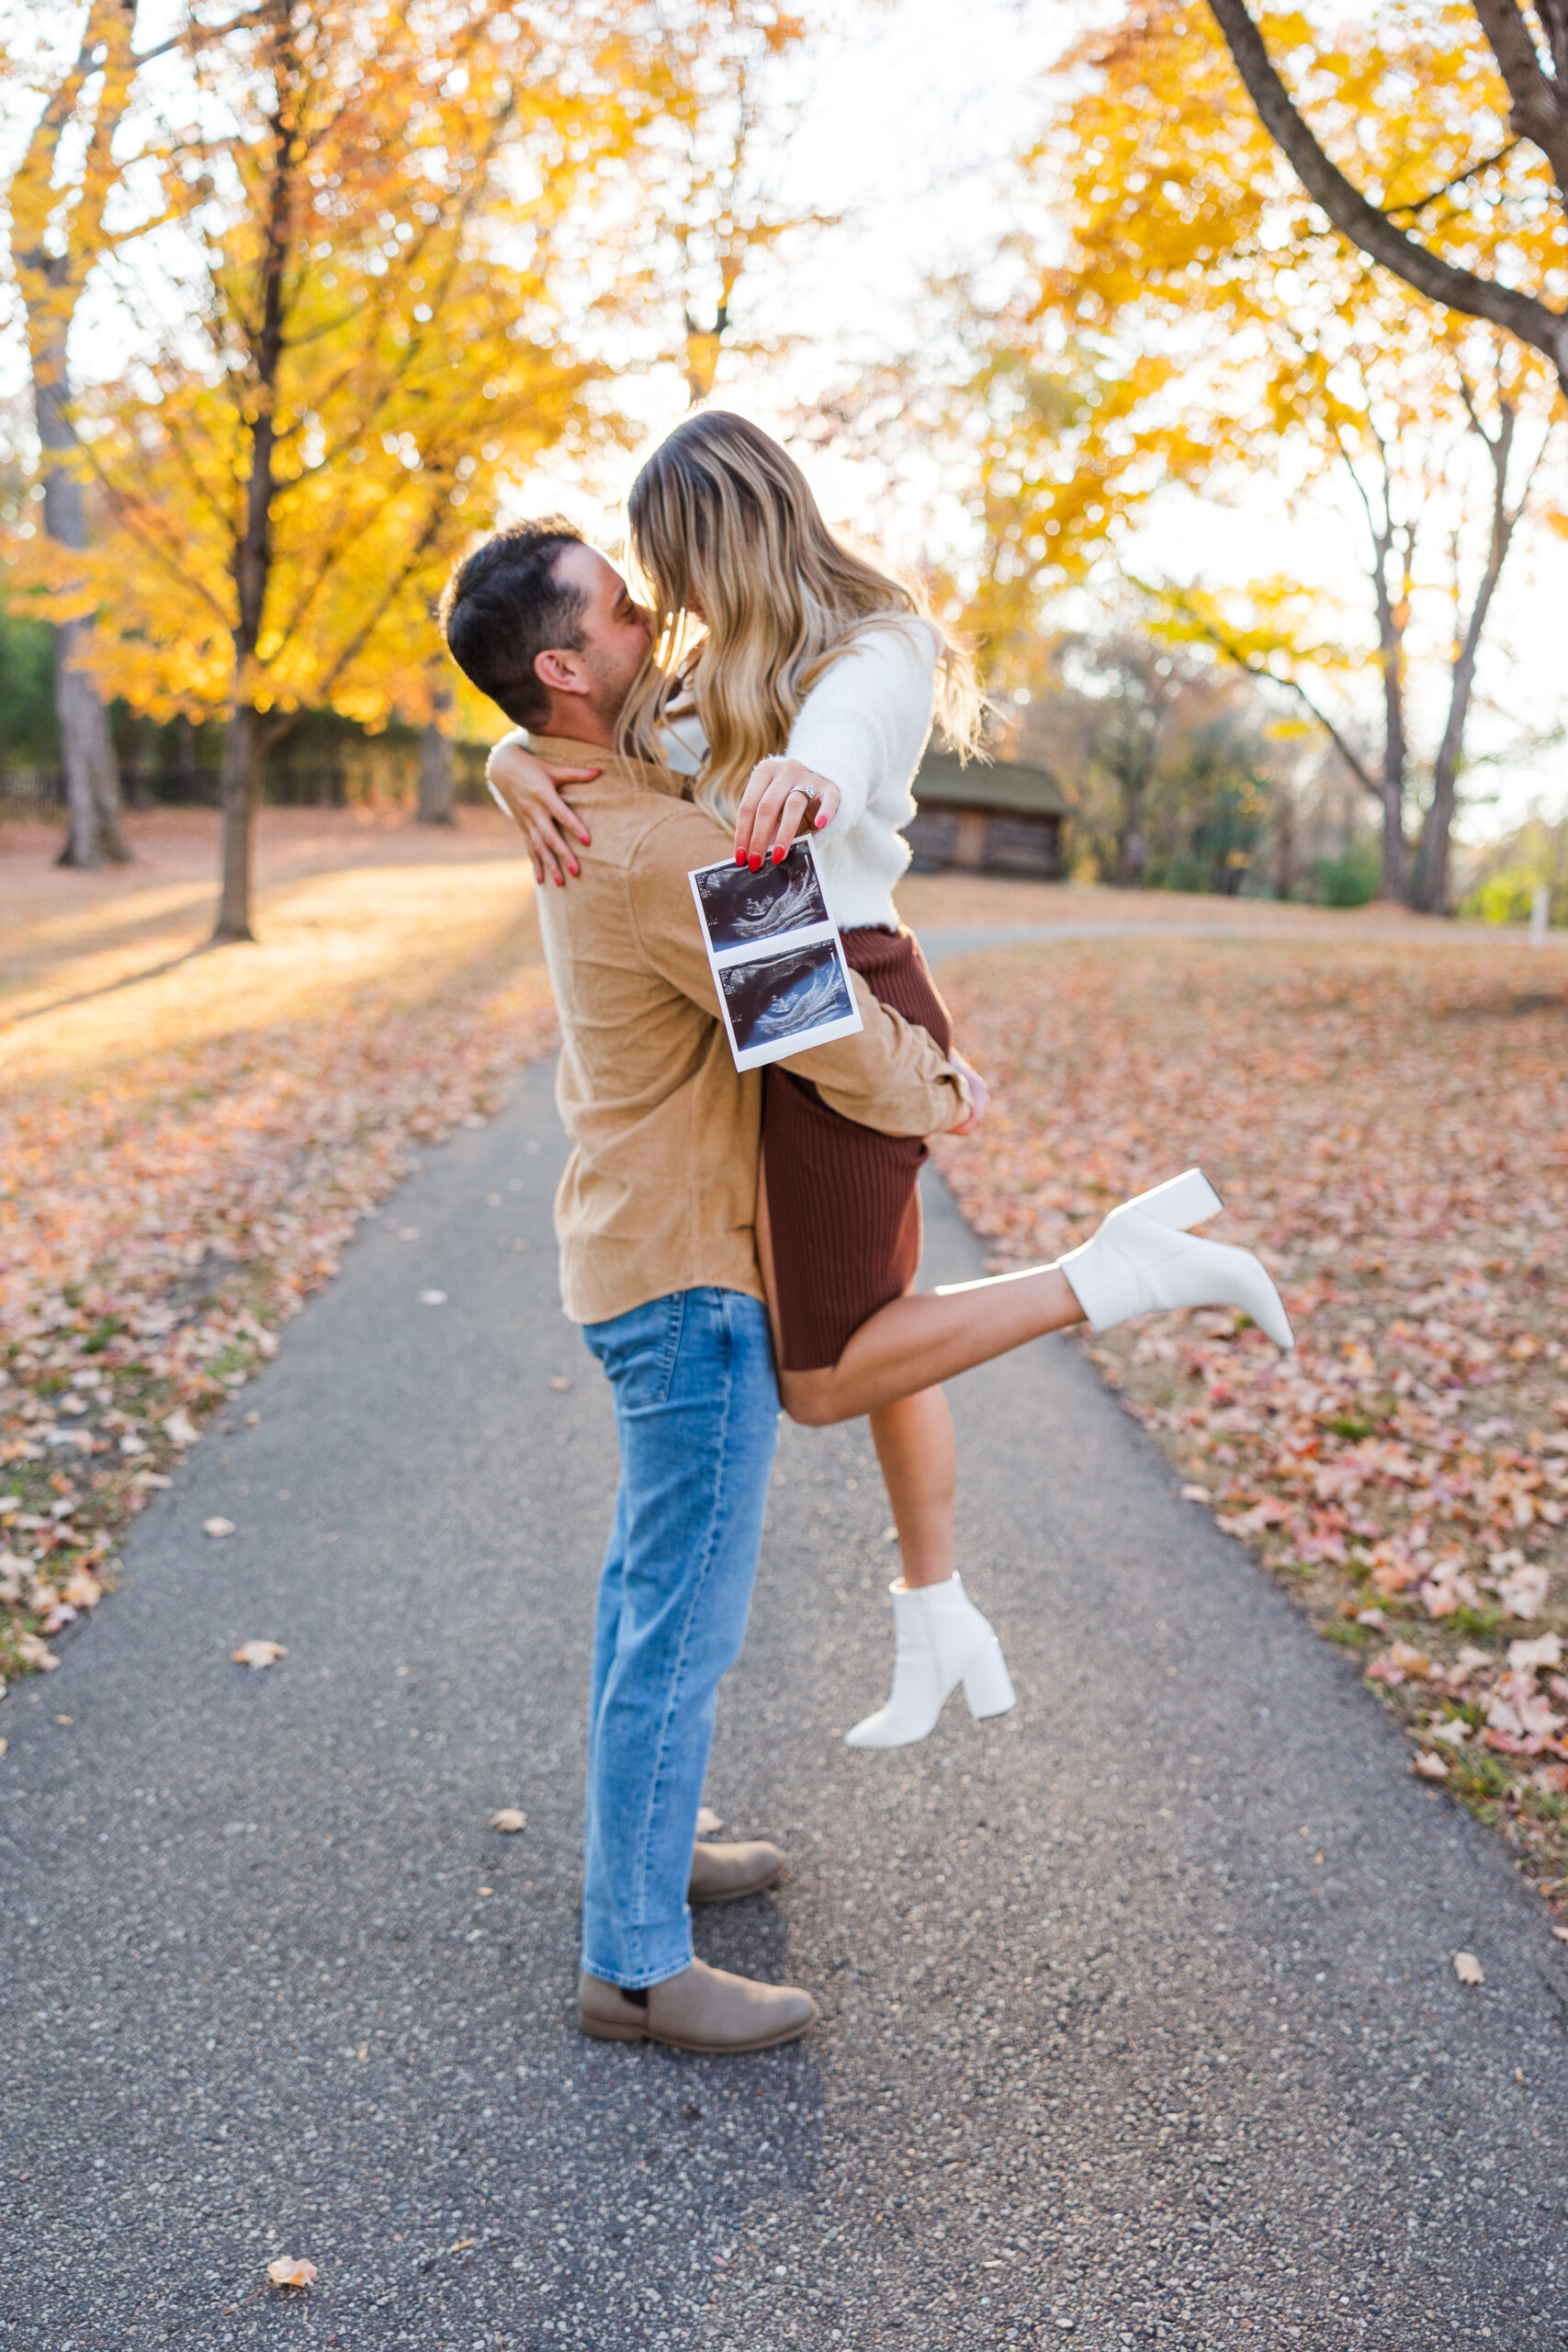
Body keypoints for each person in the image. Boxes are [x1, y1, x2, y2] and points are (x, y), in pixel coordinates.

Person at [487, 413, 1294, 1752]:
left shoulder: (877, 642)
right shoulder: (704, 678)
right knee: (884, 1323)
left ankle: (1118, 1272)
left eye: (673, 573)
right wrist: (513, 755)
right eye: (644, 593)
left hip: (833, 988)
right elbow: (593, 725)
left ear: (733, 537)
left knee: (824, 1373)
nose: (667, 608)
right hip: (767, 975)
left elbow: (854, 731)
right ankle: (938, 1614)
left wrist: (817, 777)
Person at [439, 518, 983, 2054]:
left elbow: (654, 747)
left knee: (648, 1601)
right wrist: (936, 1086)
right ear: (565, 668)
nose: (654, 610)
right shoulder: (668, 848)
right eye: (622, 608)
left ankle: (650, 1852)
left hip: (641, 1248)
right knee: (680, 1615)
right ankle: (633, 1965)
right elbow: (813, 1025)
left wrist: (509, 757)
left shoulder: (599, 802)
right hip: (687, 1273)